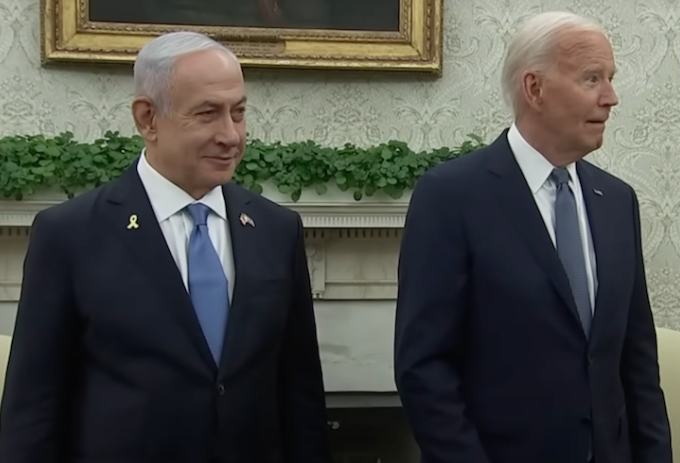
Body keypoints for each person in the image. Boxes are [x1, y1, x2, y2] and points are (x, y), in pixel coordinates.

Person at [0, 31, 331, 463]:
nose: (230, 135)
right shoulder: (71, 235)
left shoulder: (275, 229)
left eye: (239, 112)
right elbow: (33, 410)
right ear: (147, 119)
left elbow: (300, 396)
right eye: (208, 113)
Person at [394, 11, 672, 463]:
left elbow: (637, 365)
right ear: (534, 88)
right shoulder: (451, 196)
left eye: (611, 78)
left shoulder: (617, 202)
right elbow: (424, 369)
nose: (611, 97)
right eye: (592, 78)